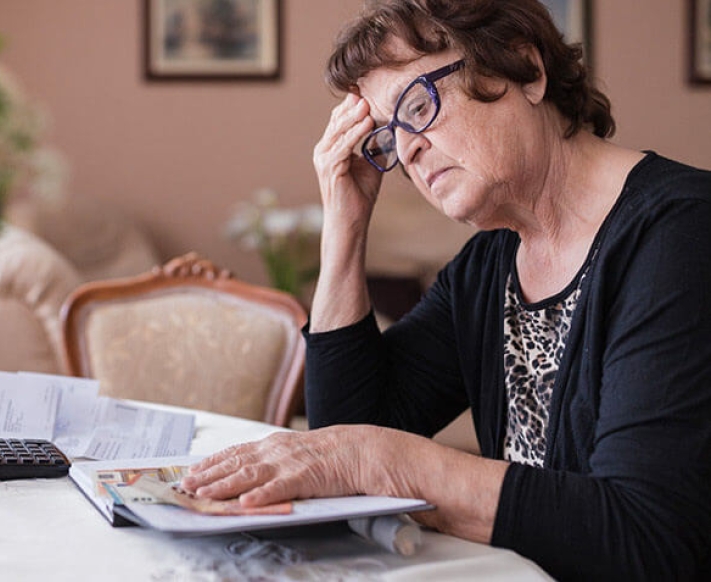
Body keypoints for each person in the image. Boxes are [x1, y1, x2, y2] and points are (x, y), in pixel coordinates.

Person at [179, 0, 711, 579]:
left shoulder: (682, 234)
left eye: (416, 106)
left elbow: (648, 537)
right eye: (386, 136)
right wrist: (344, 220)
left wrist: (386, 461)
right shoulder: (491, 262)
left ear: (525, 71)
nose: (405, 149)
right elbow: (352, 431)